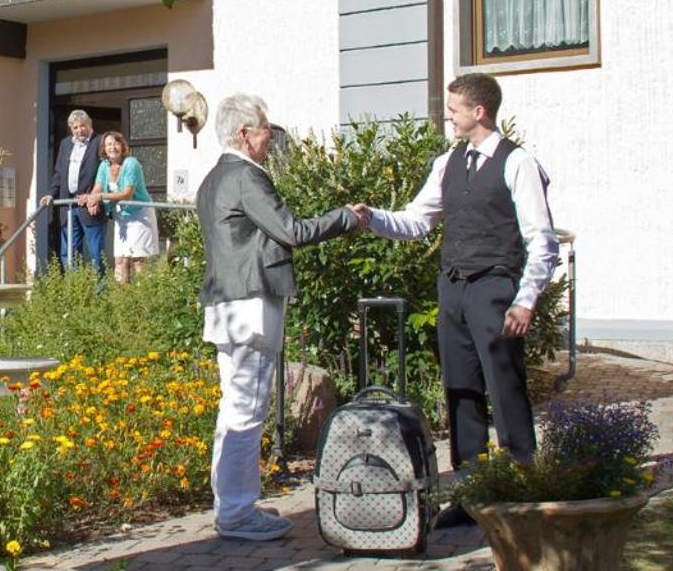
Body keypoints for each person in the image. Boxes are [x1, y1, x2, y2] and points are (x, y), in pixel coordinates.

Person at [348, 72, 559, 528]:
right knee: (460, 389)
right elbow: (417, 220)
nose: (449, 115)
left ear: (478, 111)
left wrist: (525, 300)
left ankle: (523, 489)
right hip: (454, 288)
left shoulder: (517, 163)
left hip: (495, 288)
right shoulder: (449, 162)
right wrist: (372, 219)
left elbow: (541, 239)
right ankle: (471, 491)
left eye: (455, 109)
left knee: (505, 389)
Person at [198, 94, 359, 541]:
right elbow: (291, 230)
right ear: (244, 134)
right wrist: (345, 217)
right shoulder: (247, 176)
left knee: (233, 408)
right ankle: (235, 513)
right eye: (265, 126)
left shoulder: (213, 178)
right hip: (251, 303)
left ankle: (232, 504)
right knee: (245, 410)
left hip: (226, 304)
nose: (271, 134)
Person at [39, 109, 105, 273]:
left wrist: (95, 196)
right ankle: (75, 289)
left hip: (90, 206)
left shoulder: (100, 142)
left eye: (82, 126)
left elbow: (105, 172)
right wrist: (50, 193)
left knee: (96, 254)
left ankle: (100, 293)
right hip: (68, 207)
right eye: (75, 127)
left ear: (89, 125)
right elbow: (59, 173)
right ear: (71, 128)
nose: (79, 130)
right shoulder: (66, 144)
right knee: (69, 253)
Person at [93, 130, 158, 282]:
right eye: (108, 144)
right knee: (120, 260)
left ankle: (144, 300)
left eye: (116, 143)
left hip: (140, 215)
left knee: (138, 260)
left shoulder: (131, 163)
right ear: (104, 148)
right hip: (121, 217)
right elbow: (98, 186)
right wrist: (91, 198)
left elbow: (127, 194)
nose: (112, 147)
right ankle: (123, 301)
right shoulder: (104, 165)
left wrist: (100, 196)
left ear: (122, 146)